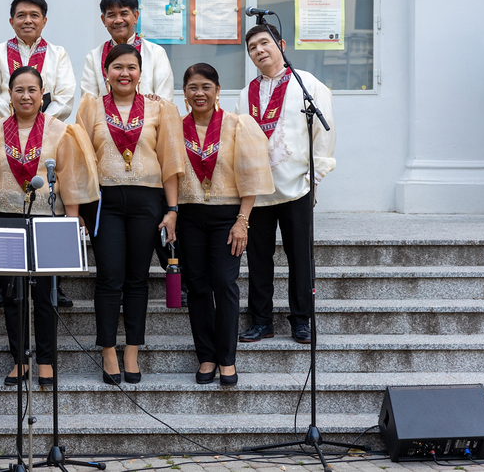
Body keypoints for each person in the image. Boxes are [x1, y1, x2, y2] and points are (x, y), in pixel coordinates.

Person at [0, 66, 98, 386]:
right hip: (5, 218)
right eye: (19, 90)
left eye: (32, 90)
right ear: (9, 95)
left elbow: (69, 180)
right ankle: (20, 359)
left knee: (45, 295)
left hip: (48, 221)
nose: (25, 96)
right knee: (12, 294)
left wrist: (72, 220)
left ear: (42, 95)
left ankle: (46, 361)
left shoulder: (61, 131)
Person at [76, 43, 183, 385]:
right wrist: (76, 210)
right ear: (105, 72)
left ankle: (132, 350)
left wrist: (172, 210)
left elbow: (170, 162)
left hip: (147, 200)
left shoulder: (160, 109)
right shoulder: (90, 108)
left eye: (131, 67)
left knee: (137, 278)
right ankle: (108, 349)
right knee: (109, 277)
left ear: (140, 73)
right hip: (104, 202)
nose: (124, 73)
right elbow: (79, 162)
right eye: (117, 67)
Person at [235, 24, 336, 345]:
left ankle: (302, 320)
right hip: (259, 191)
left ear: (281, 44)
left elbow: (324, 134)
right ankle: (261, 320)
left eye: (264, 43)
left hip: (297, 186)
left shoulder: (307, 84)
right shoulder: (245, 94)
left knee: (300, 257)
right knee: (258, 259)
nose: (259, 50)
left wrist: (314, 179)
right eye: (252, 47)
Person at [176, 63, 273, 387]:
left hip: (227, 217)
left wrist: (242, 221)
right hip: (190, 216)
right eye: (192, 87)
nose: (199, 93)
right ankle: (206, 355)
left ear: (217, 90)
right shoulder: (176, 128)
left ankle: (227, 358)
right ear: (184, 92)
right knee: (197, 286)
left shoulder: (237, 125)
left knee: (224, 283)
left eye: (206, 86)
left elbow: (251, 176)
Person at [0, 0, 78, 309]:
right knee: (7, 209)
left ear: (44, 21)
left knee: (48, 206)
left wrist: (41, 122)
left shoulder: (58, 53)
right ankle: (3, 284)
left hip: (48, 136)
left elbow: (66, 95)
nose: (28, 20)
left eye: (34, 15)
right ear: (11, 20)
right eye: (21, 15)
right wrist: (14, 121)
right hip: (7, 133)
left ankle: (53, 282)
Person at [80, 0, 174, 101]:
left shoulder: (156, 53)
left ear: (135, 16)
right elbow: (88, 103)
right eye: (111, 15)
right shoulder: (94, 57)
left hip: (149, 113)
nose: (118, 20)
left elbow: (165, 101)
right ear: (103, 20)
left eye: (124, 14)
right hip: (103, 114)